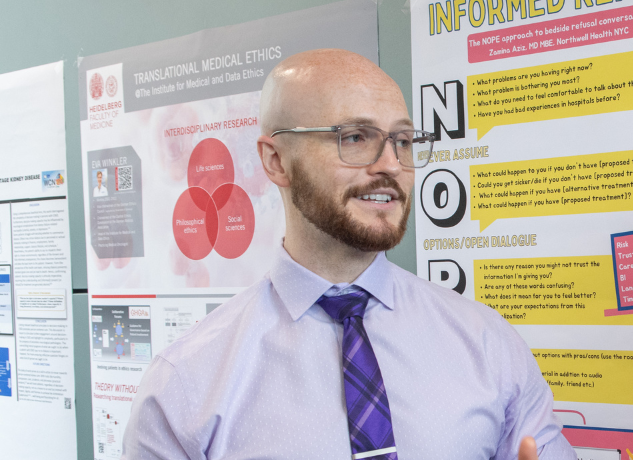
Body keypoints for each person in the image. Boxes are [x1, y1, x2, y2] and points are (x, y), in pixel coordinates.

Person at [124, 49, 573, 460]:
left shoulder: (488, 343)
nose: (391, 165)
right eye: (355, 137)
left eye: (403, 141)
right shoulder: (185, 386)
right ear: (276, 161)